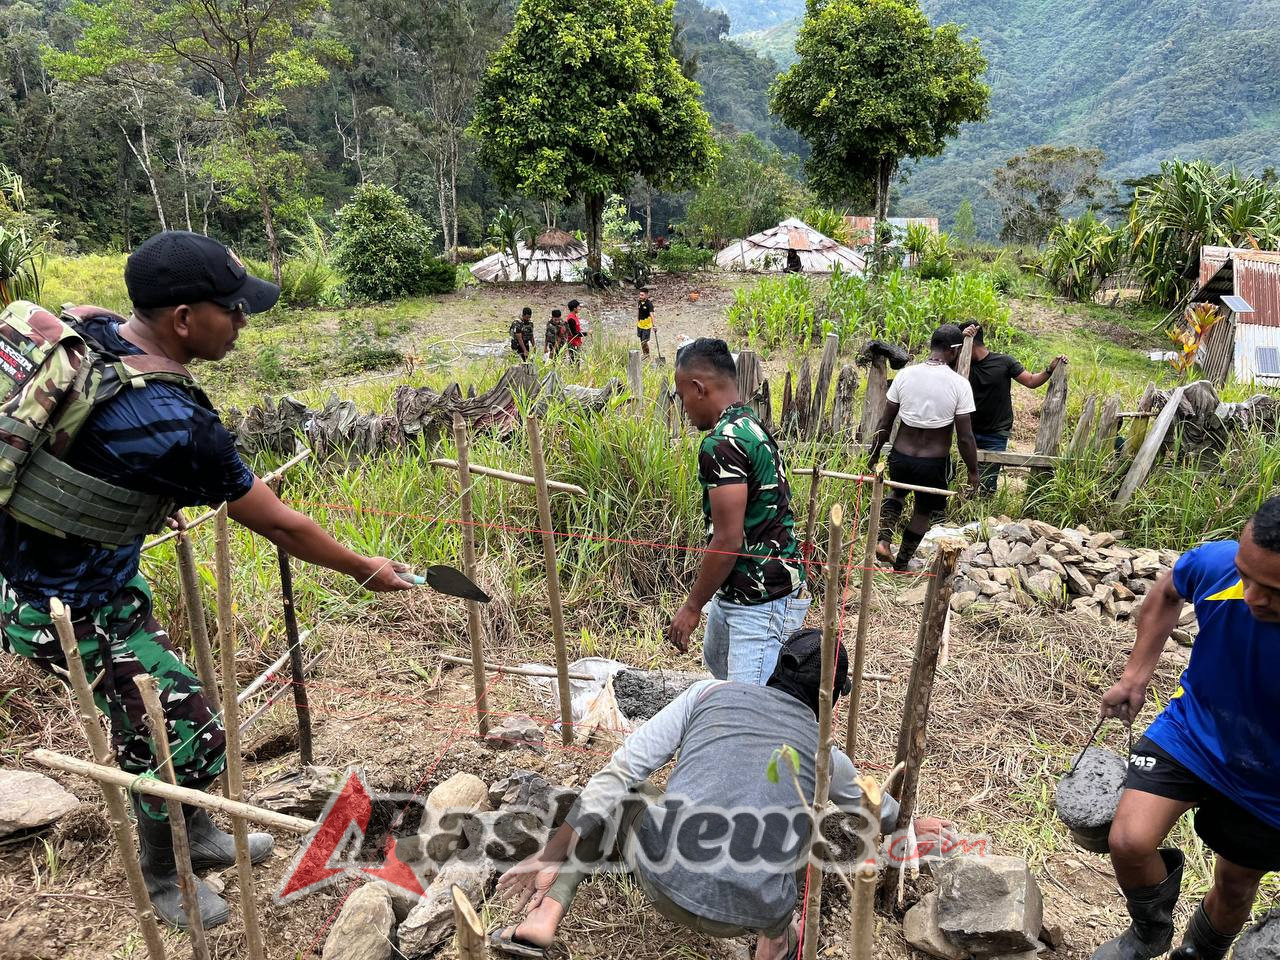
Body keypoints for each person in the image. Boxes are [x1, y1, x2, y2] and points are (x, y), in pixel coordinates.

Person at [0, 231, 413, 929]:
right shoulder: (174, 424)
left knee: (165, 712)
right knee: (179, 733)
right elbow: (278, 523)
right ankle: (167, 879)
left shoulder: (99, 330)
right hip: (59, 609)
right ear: (183, 318)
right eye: (233, 310)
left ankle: (197, 834)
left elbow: (83, 309)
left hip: (98, 584)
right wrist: (363, 568)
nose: (244, 323)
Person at [490, 629, 954, 960]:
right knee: (801, 828)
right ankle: (776, 941)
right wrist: (908, 823)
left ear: (774, 670)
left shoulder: (707, 694)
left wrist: (550, 854)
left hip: (664, 882)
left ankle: (544, 917)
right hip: (753, 913)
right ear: (831, 697)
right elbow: (871, 806)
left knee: (626, 793)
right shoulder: (826, 755)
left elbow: (620, 772)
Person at [1093, 498, 1280, 960]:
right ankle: (1147, 931)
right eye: (1246, 575)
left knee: (1234, 887)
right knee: (1128, 840)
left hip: (1269, 777)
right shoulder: (1216, 567)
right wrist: (1134, 676)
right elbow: (1167, 591)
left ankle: (1197, 953)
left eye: (1275, 589)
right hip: (1194, 730)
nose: (1253, 596)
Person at [668, 338, 808, 684]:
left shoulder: (723, 443)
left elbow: (728, 538)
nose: (683, 407)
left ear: (698, 388)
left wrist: (691, 607)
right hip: (751, 588)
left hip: (760, 599)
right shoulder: (749, 425)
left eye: (681, 395)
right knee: (722, 672)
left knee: (750, 707)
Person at [866, 324, 979, 571]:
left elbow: (885, 423)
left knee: (895, 493)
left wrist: (873, 455)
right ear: (954, 350)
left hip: (900, 456)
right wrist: (973, 471)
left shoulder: (906, 375)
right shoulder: (959, 385)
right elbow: (965, 438)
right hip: (932, 463)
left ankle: (883, 543)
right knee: (923, 510)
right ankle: (902, 563)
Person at [962, 324, 1067, 493]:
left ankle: (982, 516)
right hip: (967, 432)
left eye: (962, 346)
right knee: (966, 480)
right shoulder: (962, 366)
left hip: (995, 433)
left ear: (971, 344)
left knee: (987, 484)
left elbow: (1031, 381)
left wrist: (1049, 369)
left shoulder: (1004, 362)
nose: (960, 351)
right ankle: (965, 513)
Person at [637, 287, 655, 358]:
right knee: (641, 341)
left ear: (646, 295)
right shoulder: (639, 302)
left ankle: (647, 355)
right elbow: (638, 311)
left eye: (642, 295)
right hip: (640, 325)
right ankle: (645, 354)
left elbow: (652, 315)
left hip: (646, 326)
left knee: (644, 341)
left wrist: (654, 325)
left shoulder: (649, 304)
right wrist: (637, 320)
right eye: (640, 295)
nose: (640, 296)